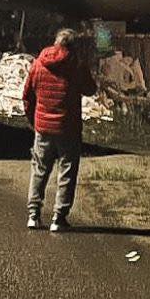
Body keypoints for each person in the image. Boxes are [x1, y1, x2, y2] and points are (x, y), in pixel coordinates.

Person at [23, 28, 96, 232]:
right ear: (73, 47)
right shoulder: (76, 66)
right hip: (68, 128)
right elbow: (91, 89)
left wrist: (33, 120)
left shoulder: (38, 64)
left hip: (43, 127)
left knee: (39, 170)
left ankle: (33, 214)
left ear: (55, 43)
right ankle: (58, 217)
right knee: (67, 172)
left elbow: (27, 96)